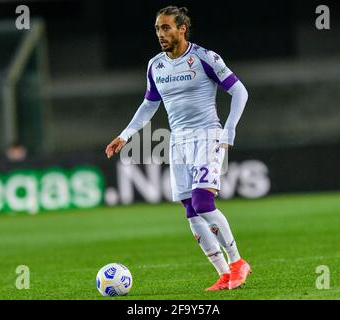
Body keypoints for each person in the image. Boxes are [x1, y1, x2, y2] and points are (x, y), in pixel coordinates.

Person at [105, 6, 250, 291]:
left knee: (203, 203)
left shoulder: (204, 58)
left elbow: (239, 91)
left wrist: (228, 130)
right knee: (190, 209)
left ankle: (237, 262)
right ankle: (223, 274)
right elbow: (149, 104)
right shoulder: (155, 65)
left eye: (167, 28)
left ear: (182, 29)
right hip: (178, 141)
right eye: (158, 28)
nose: (161, 34)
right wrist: (125, 135)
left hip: (207, 136)